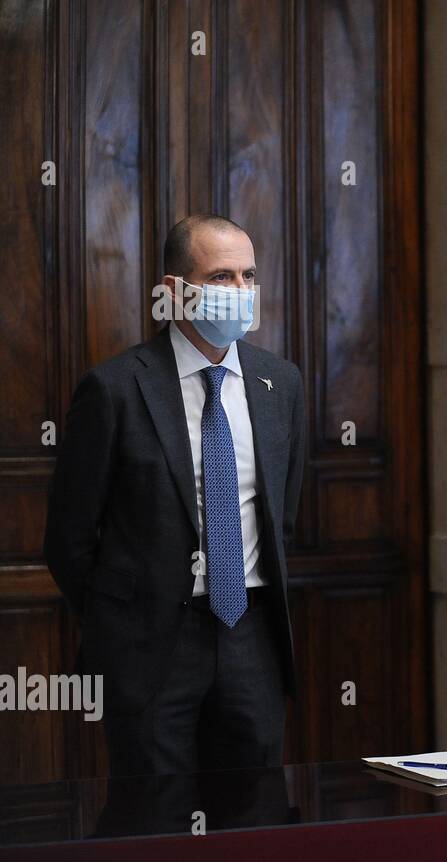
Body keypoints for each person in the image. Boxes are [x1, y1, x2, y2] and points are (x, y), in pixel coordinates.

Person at [44, 214, 306, 776]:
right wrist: (121, 623)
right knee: (151, 822)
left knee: (254, 823)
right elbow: (69, 539)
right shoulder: (113, 389)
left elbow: (282, 520)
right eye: (220, 278)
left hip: (250, 639)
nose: (240, 293)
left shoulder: (280, 383)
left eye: (249, 276)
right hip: (153, 647)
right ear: (174, 292)